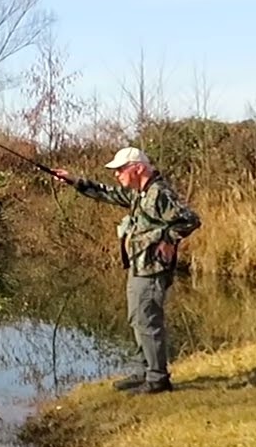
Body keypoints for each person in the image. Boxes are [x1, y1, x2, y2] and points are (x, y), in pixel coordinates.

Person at [52, 146, 201, 395]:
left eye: (121, 170)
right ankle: (144, 371)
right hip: (138, 265)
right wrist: (73, 180)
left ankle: (158, 379)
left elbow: (190, 220)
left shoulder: (159, 193)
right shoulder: (139, 193)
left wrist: (168, 239)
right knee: (136, 319)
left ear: (138, 168)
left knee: (148, 320)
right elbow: (105, 193)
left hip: (153, 268)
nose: (117, 174)